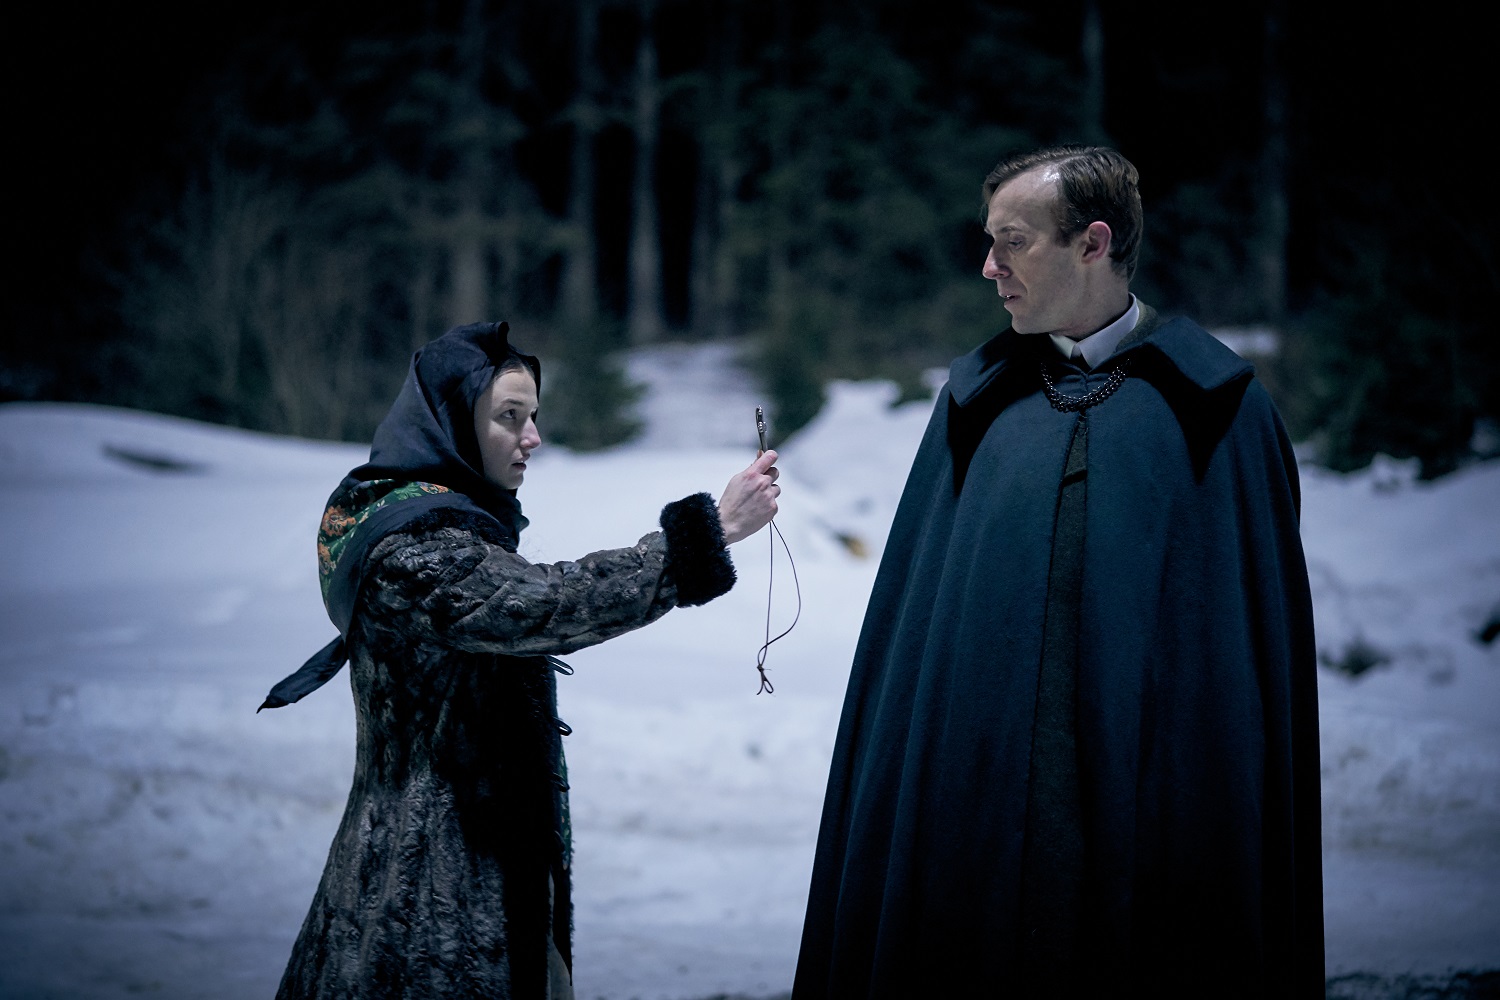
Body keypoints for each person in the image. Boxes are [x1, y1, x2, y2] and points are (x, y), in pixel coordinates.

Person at [792, 146, 1323, 998]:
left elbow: (1244, 645)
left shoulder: (1215, 408)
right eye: (989, 240)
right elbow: (918, 633)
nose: (988, 266)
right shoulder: (978, 402)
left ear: (1092, 244)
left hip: (1156, 799)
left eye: (1013, 241)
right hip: (983, 796)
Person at [259, 321, 779, 999]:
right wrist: (709, 532)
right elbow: (543, 604)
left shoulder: (437, 524)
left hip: (471, 868)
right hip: (423, 899)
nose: (532, 437)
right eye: (509, 417)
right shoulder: (411, 549)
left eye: (533, 416)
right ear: (451, 422)